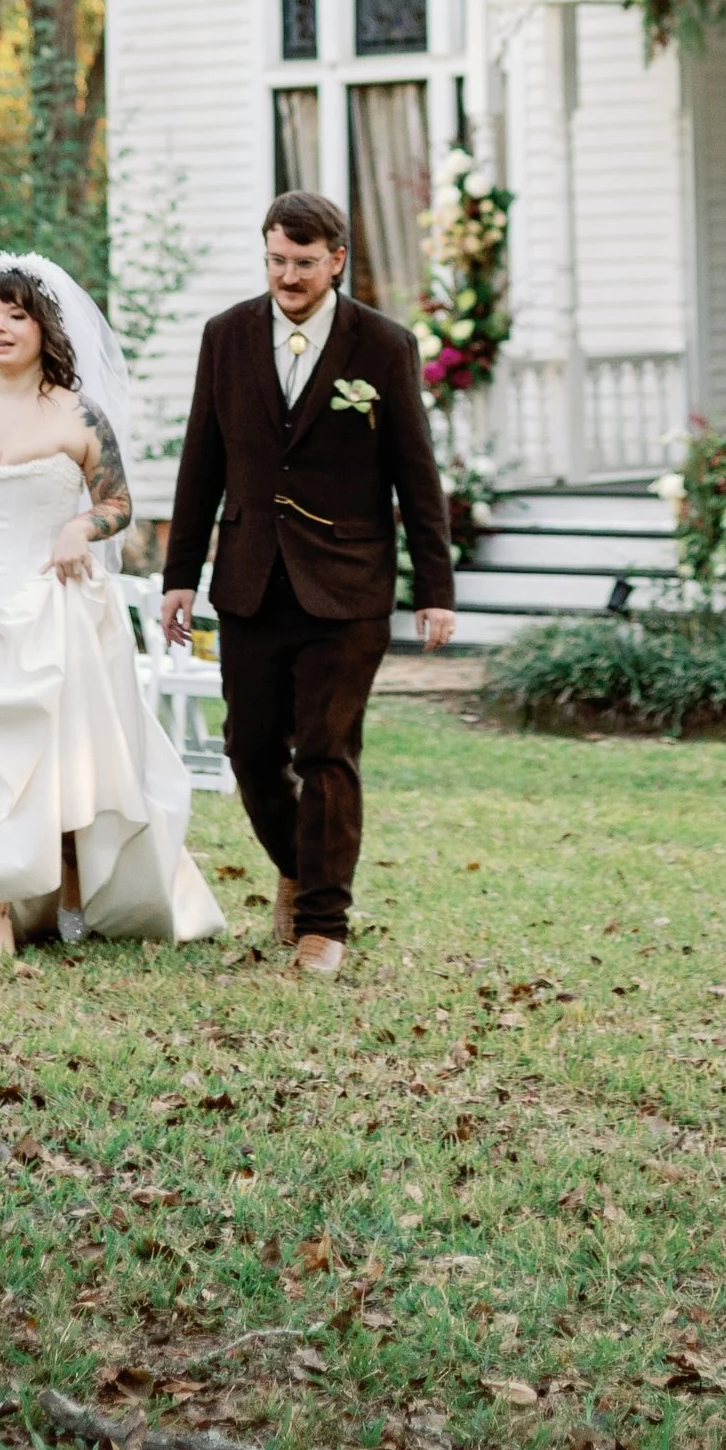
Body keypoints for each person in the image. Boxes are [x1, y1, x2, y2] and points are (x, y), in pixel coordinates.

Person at [0, 256, 224, 958]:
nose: (0, 328)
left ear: (44, 327)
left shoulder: (78, 413)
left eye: (17, 315)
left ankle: (68, 893)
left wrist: (76, 528)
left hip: (52, 602)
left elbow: (118, 504)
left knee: (59, 764)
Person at [160, 192, 455, 979]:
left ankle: (324, 922)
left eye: (301, 262)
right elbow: (202, 463)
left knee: (327, 749)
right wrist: (179, 577)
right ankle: (297, 864)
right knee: (250, 748)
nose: (286, 276)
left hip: (348, 584)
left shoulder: (383, 346)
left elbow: (415, 474)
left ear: (336, 260)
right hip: (252, 577)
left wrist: (436, 586)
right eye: (275, 261)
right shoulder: (226, 337)